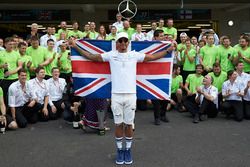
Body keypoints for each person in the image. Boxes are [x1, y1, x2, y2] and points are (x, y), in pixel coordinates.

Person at [70, 32, 174, 165]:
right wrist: (75, 47)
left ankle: (128, 150)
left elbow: (152, 57)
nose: (123, 43)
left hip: (131, 95)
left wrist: (168, 50)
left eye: (125, 41)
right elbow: (91, 56)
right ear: (117, 43)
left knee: (129, 124)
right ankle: (120, 150)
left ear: (128, 43)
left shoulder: (134, 55)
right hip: (116, 95)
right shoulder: (111, 55)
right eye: (121, 41)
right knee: (119, 124)